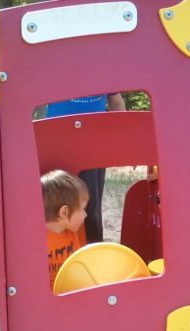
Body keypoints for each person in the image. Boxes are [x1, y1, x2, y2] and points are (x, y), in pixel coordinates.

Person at [45, 93, 126, 243]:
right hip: (60, 136)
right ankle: (58, 250)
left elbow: (116, 103)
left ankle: (92, 251)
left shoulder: (106, 70)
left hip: (94, 139)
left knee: (89, 203)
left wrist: (126, 141)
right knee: (57, 199)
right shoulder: (55, 69)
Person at [41, 169, 89, 290]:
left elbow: (79, 266)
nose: (86, 215)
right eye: (83, 209)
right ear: (64, 212)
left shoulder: (72, 235)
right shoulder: (37, 239)